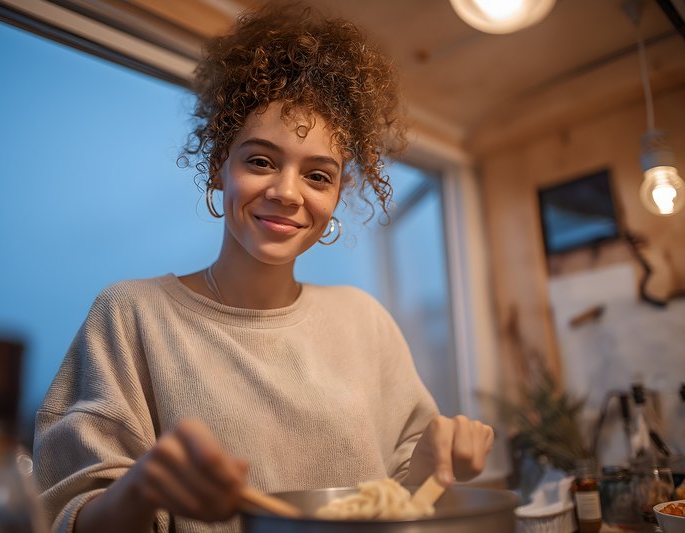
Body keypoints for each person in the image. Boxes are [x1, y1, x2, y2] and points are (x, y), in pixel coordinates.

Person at [33, 4, 495, 533]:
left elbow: (402, 499)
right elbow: (67, 517)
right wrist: (139, 491)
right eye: (260, 161)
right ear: (218, 169)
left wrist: (438, 461)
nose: (287, 193)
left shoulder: (364, 321)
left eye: (318, 176)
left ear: (338, 194)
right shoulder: (131, 314)